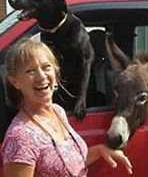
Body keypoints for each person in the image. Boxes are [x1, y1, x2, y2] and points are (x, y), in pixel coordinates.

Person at [1, 38, 133, 177]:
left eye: (46, 67)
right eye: (30, 71)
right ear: (15, 82)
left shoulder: (57, 111)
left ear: (55, 71)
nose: (41, 77)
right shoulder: (20, 138)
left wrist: (100, 150)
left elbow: (67, 166)